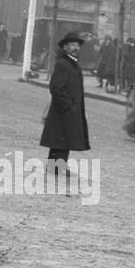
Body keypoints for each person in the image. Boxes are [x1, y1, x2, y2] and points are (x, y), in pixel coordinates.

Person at [39, 31, 89, 187]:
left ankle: (57, 166)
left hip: (69, 109)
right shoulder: (63, 63)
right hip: (63, 109)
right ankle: (55, 167)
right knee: (61, 139)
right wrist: (68, 105)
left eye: (77, 45)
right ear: (66, 47)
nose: (76, 48)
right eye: (73, 45)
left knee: (63, 139)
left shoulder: (72, 62)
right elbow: (55, 87)